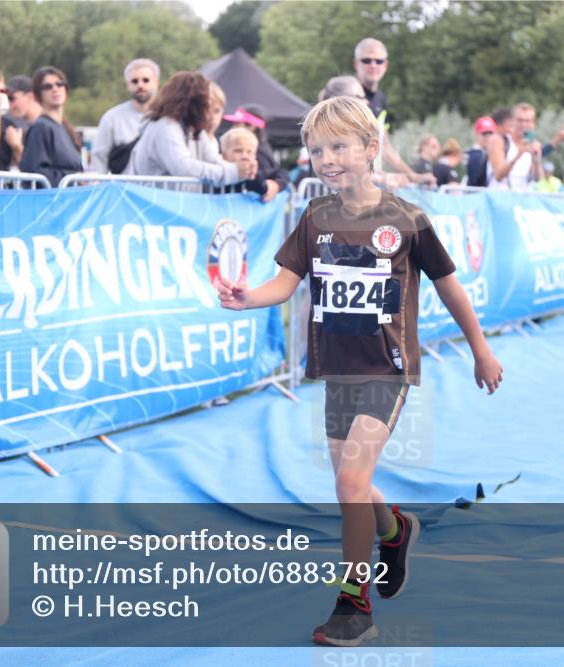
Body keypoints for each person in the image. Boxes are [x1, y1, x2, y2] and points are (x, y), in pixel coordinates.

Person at [215, 96, 503, 647]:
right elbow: (285, 282)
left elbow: (450, 288)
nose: (327, 159)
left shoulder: (406, 220)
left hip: (387, 371)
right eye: (317, 150)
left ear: (372, 149)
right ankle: (395, 529)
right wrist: (247, 297)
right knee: (355, 486)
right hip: (337, 371)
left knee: (349, 481)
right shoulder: (315, 217)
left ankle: (354, 606)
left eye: (339, 147)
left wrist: (481, 350)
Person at [126, 71, 257, 185]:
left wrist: (243, 171)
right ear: (193, 102)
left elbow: (212, 160)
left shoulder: (193, 129)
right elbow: (183, 168)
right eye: (205, 103)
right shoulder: (165, 128)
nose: (208, 111)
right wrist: (233, 172)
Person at [351, 38, 434, 185]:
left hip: (367, 186)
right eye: (367, 60)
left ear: (386, 65)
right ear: (356, 64)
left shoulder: (380, 99)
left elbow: (384, 146)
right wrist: (382, 177)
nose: (373, 65)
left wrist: (414, 177)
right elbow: (344, 148)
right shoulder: (348, 94)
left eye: (379, 61)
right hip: (343, 188)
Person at [89, 58, 159, 174]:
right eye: (135, 81)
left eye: (146, 80)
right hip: (122, 189)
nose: (140, 85)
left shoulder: (168, 117)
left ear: (156, 82)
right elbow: (99, 159)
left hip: (157, 190)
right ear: (128, 85)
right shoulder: (112, 118)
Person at [19, 66, 82, 187]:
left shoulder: (65, 128)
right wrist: (74, 179)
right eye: (48, 87)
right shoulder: (40, 128)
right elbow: (35, 175)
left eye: (60, 84)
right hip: (51, 201)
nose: (55, 89)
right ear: (38, 94)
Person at [223, 104, 289, 201]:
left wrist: (275, 184)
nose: (233, 127)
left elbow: (271, 175)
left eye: (237, 123)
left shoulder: (260, 151)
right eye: (238, 151)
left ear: (252, 126)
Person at [214, 128, 267, 196]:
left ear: (255, 156)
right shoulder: (216, 173)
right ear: (224, 155)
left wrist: (255, 176)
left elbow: (263, 190)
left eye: (249, 152)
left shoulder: (256, 174)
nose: (245, 156)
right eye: (238, 151)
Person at [465, 116, 496, 187]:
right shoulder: (475, 155)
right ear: (477, 134)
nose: (488, 137)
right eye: (484, 134)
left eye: (490, 133)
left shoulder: (492, 153)